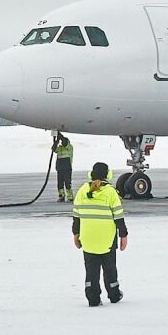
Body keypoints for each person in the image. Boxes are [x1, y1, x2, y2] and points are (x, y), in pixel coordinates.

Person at [72, 160, 129, 306]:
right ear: (108, 175)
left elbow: (76, 216)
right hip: (107, 240)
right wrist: (123, 235)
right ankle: (114, 295)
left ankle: (93, 298)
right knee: (110, 269)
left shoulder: (82, 191)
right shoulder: (110, 192)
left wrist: (76, 234)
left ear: (91, 174)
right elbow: (118, 217)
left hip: (88, 239)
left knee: (91, 270)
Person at [53, 131, 74, 202]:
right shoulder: (60, 148)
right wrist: (56, 141)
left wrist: (60, 136)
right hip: (60, 168)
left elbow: (65, 142)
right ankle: (61, 196)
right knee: (60, 184)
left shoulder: (69, 147)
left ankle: (70, 196)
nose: (62, 143)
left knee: (67, 183)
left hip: (67, 168)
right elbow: (53, 149)